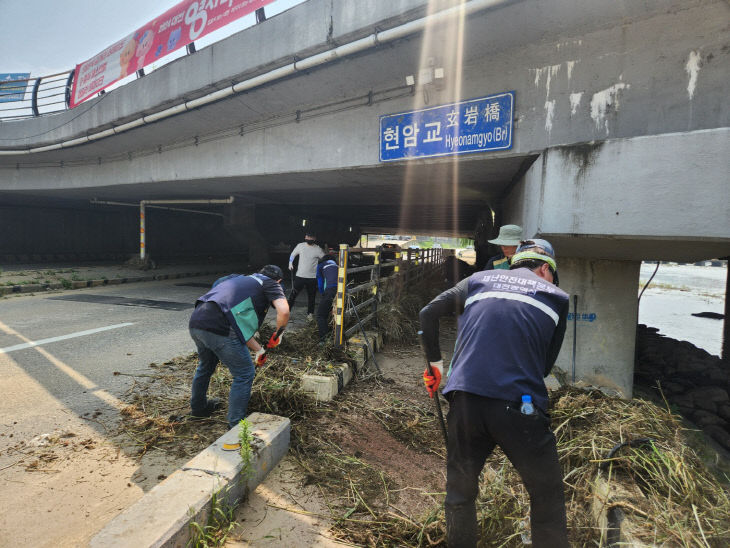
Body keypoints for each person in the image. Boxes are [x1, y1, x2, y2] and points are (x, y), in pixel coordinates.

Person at [419, 239, 570, 547]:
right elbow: (543, 368)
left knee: (460, 492)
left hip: (463, 400)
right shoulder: (557, 296)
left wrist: (435, 367)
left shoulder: (478, 280)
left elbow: (428, 312)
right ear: (545, 269)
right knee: (546, 494)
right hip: (519, 408)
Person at [188, 265, 289, 429]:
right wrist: (278, 334)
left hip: (197, 321)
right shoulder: (270, 283)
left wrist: (259, 350)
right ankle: (235, 425)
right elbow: (284, 312)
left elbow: (237, 324)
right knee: (244, 374)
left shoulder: (238, 279)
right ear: (278, 281)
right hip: (220, 328)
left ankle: (199, 410)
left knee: (206, 366)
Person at [288, 233, 325, 320]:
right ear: (305, 237)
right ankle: (286, 311)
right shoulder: (300, 246)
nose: (309, 238)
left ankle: (310, 314)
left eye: (311, 237)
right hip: (300, 275)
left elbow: (324, 259)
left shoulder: (318, 249)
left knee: (312, 296)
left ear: (314, 238)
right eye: (307, 237)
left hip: (312, 277)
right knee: (293, 294)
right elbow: (293, 255)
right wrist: (290, 263)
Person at [315, 253, 338, 343]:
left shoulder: (321, 266)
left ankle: (324, 340)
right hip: (342, 291)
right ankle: (336, 334)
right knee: (336, 312)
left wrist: (323, 294)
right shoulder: (338, 266)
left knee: (321, 315)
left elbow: (320, 283)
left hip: (330, 290)